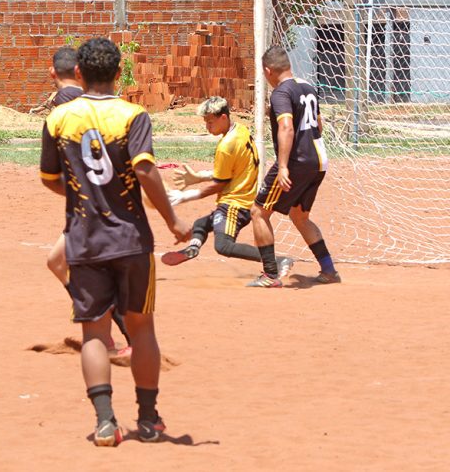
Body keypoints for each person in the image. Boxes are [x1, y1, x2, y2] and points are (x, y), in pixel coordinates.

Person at [40, 37, 190, 446]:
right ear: (119, 74)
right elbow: (145, 171)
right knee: (141, 330)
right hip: (130, 239)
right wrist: (173, 219)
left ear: (80, 74)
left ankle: (105, 422)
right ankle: (148, 419)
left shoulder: (59, 118)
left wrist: (82, 195)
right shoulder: (133, 115)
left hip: (84, 240)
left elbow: (50, 179)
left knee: (93, 333)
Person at [43, 46, 133, 353]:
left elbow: (50, 175)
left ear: (52, 72)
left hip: (92, 206)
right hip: (98, 198)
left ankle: (113, 330)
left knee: (86, 271)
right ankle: (106, 330)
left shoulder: (65, 103)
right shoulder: (87, 99)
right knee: (56, 262)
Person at [160, 96, 293, 278]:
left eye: (210, 122)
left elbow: (218, 184)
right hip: (245, 197)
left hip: (234, 205)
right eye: (205, 122)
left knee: (223, 246)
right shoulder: (241, 130)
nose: (207, 126)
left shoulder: (226, 146)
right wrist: (199, 177)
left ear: (223, 118)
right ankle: (193, 248)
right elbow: (231, 170)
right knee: (201, 224)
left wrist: (185, 196)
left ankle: (276, 261)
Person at [248, 46, 341, 288]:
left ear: (268, 71)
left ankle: (270, 275)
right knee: (299, 216)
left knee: (259, 212)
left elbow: (286, 127)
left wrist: (283, 167)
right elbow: (318, 125)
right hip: (319, 159)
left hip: (297, 161)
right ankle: (329, 270)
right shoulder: (307, 87)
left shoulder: (280, 93)